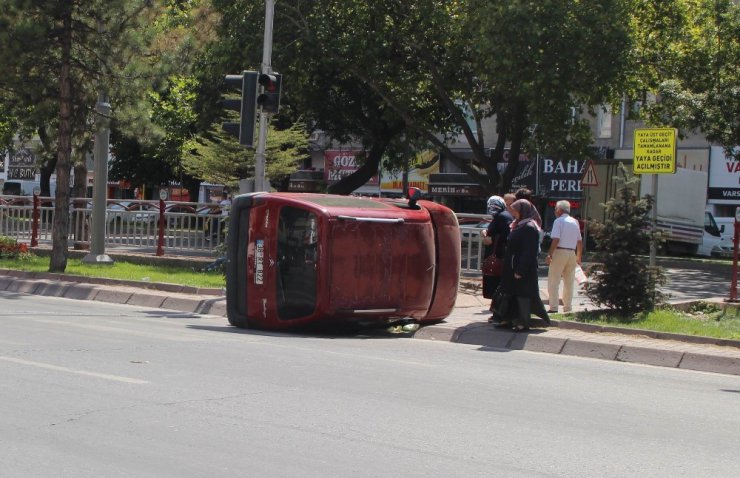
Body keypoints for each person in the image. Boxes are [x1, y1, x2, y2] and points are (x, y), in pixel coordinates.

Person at [494, 199, 550, 331]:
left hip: (522, 268)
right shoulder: (518, 224)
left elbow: (529, 251)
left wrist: (521, 270)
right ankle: (507, 319)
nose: (513, 213)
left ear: (523, 211)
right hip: (512, 266)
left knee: (523, 294)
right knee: (510, 292)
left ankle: (523, 322)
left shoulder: (529, 227)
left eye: (515, 210)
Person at [545, 200, 583, 314]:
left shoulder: (558, 221)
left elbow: (556, 239)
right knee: (569, 281)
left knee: (554, 280)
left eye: (556, 209)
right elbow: (580, 241)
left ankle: (554, 307)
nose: (555, 211)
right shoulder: (575, 222)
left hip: (560, 252)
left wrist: (549, 254)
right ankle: (567, 307)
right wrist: (579, 256)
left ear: (560, 210)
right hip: (572, 253)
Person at [480, 196, 513, 316]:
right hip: (497, 256)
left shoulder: (503, 216)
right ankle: (496, 311)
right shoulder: (501, 216)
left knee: (496, 285)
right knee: (495, 285)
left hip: (499, 256)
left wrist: (491, 239)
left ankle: (499, 312)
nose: (491, 208)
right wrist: (486, 233)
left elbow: (506, 236)